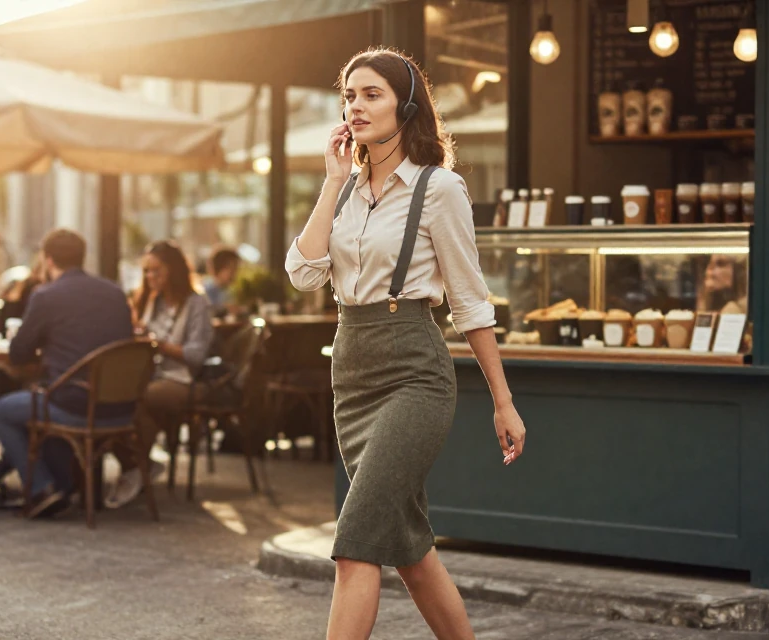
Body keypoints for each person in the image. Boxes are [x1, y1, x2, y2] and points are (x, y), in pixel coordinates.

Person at [285, 48, 527, 640]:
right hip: (353, 367)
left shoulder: (439, 188)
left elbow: (471, 301)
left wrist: (503, 400)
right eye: (349, 95)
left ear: (406, 104)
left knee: (355, 544)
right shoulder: (342, 189)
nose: (357, 106)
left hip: (415, 369)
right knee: (410, 547)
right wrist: (333, 180)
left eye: (373, 95)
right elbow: (302, 272)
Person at [0, 229, 135, 519]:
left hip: (77, 406)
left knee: (3, 410)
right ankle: (66, 484)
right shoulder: (115, 293)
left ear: (47, 260)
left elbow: (18, 353)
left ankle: (42, 489)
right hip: (123, 407)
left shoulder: (46, 296)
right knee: (52, 394)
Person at [106, 240, 213, 509]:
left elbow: (196, 355)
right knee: (112, 398)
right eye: (146, 271)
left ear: (173, 271)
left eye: (157, 271)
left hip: (185, 379)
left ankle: (135, 467)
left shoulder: (196, 303)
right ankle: (139, 465)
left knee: (140, 400)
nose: (150, 277)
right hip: (151, 376)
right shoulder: (148, 300)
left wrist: (157, 344)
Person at [200, 246, 240, 316]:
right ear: (219, 267)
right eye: (231, 268)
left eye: (236, 268)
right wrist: (226, 309)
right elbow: (208, 311)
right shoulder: (205, 289)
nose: (234, 272)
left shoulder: (230, 290)